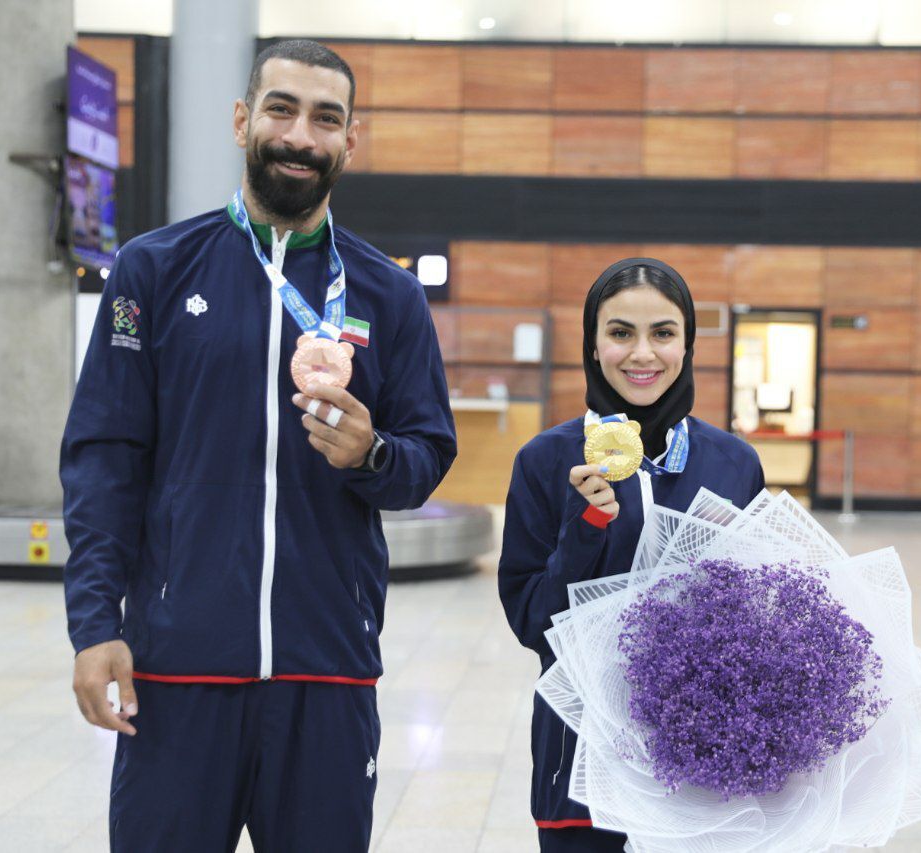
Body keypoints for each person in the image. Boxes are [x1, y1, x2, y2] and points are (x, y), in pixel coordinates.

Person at [61, 39, 456, 852]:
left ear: (351, 140)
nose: (300, 136)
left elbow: (426, 457)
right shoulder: (153, 270)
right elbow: (105, 459)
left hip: (328, 669)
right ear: (243, 120)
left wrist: (372, 454)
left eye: (326, 119)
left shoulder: (390, 294)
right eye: (281, 109)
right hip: (176, 668)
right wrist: (95, 624)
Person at [498, 258, 766, 852]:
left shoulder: (733, 463)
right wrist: (587, 526)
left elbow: (758, 626)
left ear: (687, 344)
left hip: (701, 766)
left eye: (663, 333)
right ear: (593, 345)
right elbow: (532, 623)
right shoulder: (547, 461)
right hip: (582, 760)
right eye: (621, 332)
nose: (642, 354)